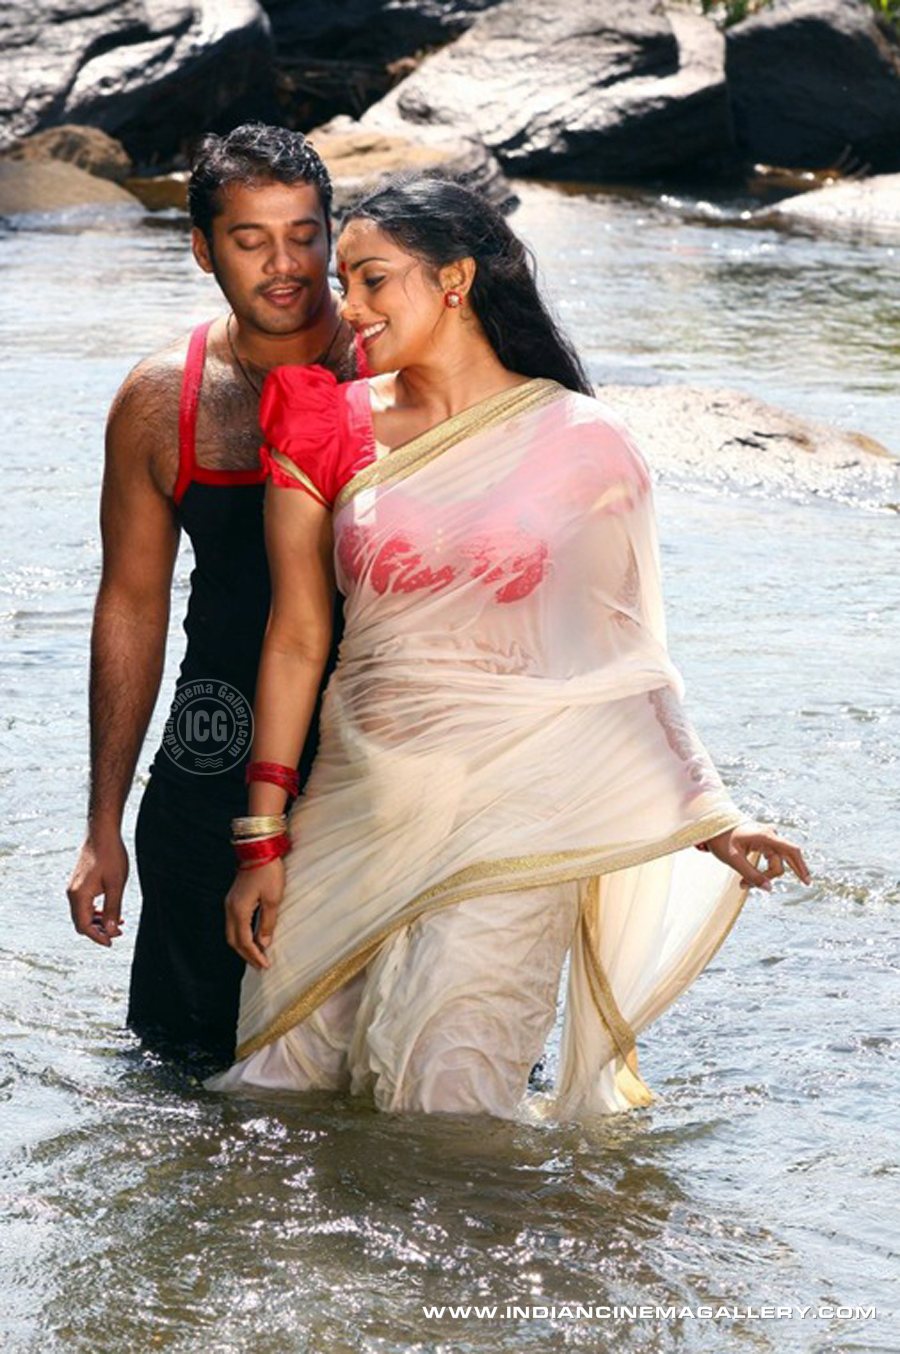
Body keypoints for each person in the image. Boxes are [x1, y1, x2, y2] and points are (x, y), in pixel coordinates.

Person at [208, 175, 810, 1117]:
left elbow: (620, 657)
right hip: (360, 799)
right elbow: (295, 637)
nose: (348, 306)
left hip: (523, 809)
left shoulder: (582, 442)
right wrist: (263, 838)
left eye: (373, 280)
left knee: (447, 1101)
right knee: (281, 1087)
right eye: (345, 282)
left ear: (454, 280)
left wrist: (712, 813)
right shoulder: (325, 420)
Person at [66, 124, 366, 1064]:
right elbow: (131, 607)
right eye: (251, 240)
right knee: (187, 1068)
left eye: (305, 235)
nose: (286, 266)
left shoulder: (398, 368)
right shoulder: (164, 399)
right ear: (202, 249)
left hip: (383, 747)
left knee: (412, 1062)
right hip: (217, 751)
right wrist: (102, 825)